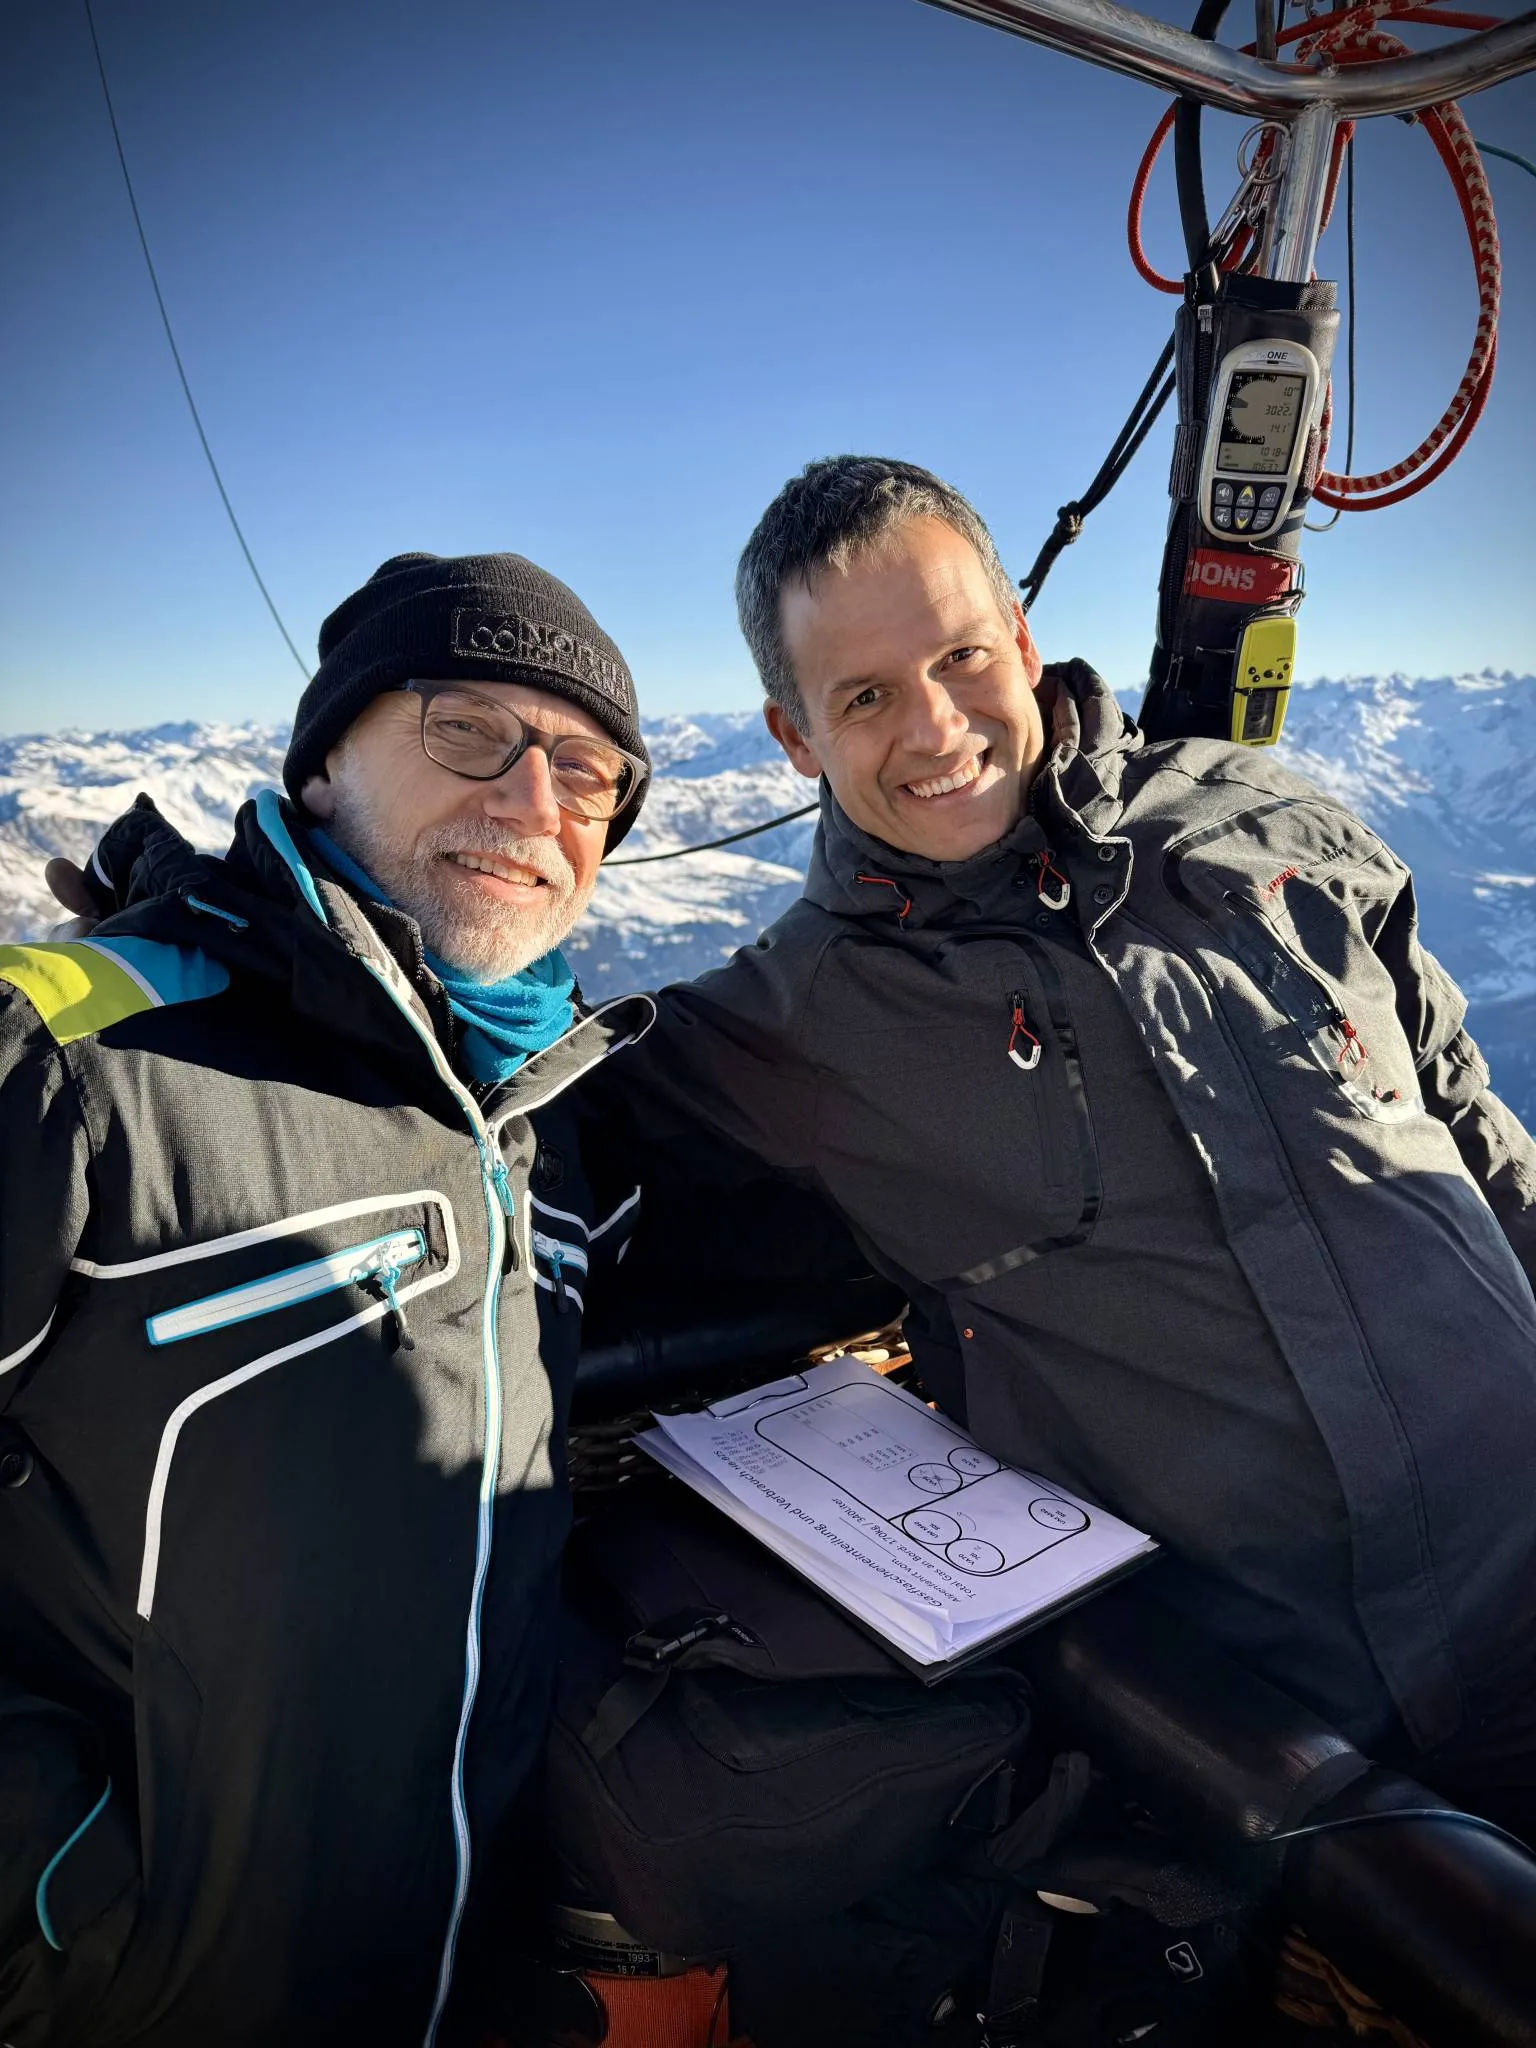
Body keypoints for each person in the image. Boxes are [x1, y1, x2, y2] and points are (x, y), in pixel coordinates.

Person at [602, 455, 1536, 1834]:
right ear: (795, 738)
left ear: (1024, 643)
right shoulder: (796, 1019)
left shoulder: (1261, 820)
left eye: (961, 657)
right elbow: (510, 1102)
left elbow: (1465, 1119)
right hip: (1312, 1726)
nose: (937, 726)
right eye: (864, 697)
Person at [0, 551, 659, 2047]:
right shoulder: (82, 1065)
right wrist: (47, 1906)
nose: (532, 799)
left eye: (586, 771)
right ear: (323, 760)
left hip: (453, 1978)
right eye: (467, 728)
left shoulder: (550, 1118)